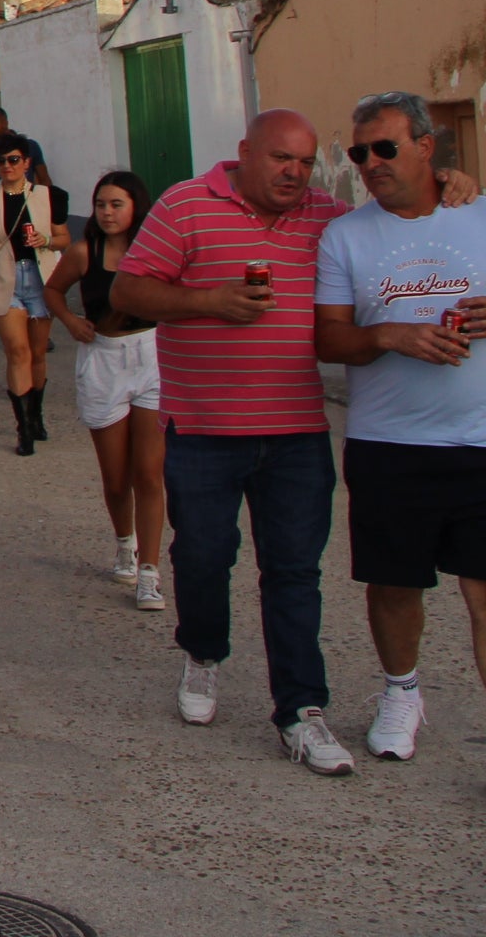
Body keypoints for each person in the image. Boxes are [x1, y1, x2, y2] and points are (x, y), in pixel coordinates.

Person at [114, 110, 356, 773]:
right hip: (203, 430)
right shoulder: (187, 204)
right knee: (200, 558)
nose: (294, 174)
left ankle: (301, 711)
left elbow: (392, 224)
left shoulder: (328, 217)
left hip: (298, 432)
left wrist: (449, 184)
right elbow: (128, 288)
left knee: (294, 573)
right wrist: (209, 302)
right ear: (245, 153)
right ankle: (203, 653)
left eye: (304, 163)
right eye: (282, 158)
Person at [312, 92, 486, 765]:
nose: (370, 163)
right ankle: (401, 691)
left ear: (426, 146)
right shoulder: (346, 235)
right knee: (394, 584)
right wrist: (388, 334)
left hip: (479, 438)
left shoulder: (477, 214)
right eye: (359, 153)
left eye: (384, 148)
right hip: (390, 442)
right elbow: (329, 339)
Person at [47, 171, 166, 609]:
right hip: (104, 359)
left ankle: (150, 571)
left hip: (151, 356)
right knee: (117, 478)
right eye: (101, 204)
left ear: (136, 207)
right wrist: (71, 321)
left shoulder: (154, 252)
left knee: (149, 473)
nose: (107, 212)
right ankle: (125, 542)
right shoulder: (84, 251)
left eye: (117, 204)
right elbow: (53, 290)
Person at [0, 137, 70, 453]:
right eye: (1, 162)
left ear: (27, 162)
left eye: (13, 160)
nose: (7, 167)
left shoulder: (50, 197)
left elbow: (64, 238)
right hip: (4, 279)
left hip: (40, 277)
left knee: (38, 353)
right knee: (18, 351)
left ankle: (36, 415)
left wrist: (46, 240)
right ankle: (23, 429)